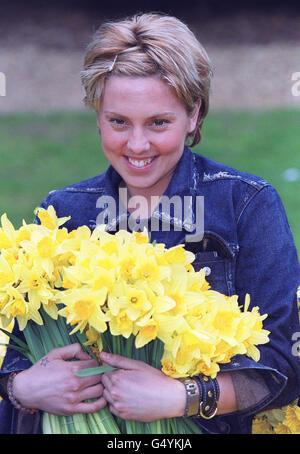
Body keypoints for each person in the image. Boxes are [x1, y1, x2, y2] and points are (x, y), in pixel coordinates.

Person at [1, 12, 300, 435]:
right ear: (97, 114)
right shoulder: (63, 213)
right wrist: (25, 388)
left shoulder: (245, 205)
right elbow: (14, 355)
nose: (137, 145)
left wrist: (181, 397)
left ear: (194, 114)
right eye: (118, 121)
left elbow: (286, 364)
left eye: (159, 122)